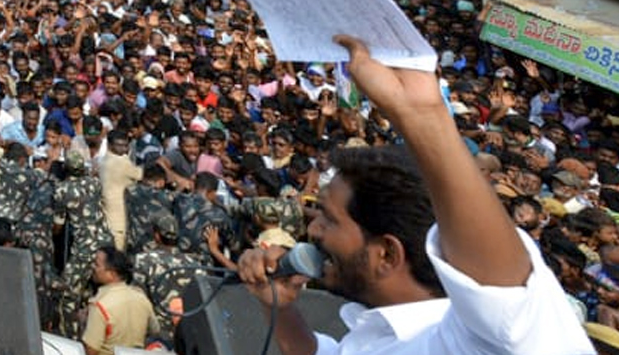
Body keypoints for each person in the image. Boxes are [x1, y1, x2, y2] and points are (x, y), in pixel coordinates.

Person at [236, 34, 593, 354]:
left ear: (387, 253)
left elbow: (506, 299)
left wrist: (423, 116)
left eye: (330, 219)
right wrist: (279, 308)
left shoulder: (476, 342)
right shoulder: (376, 337)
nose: (313, 230)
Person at [81, 246, 158, 355]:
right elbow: (155, 330)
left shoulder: (100, 305)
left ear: (112, 274)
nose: (93, 267)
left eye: (97, 265)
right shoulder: (141, 298)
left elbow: (90, 350)